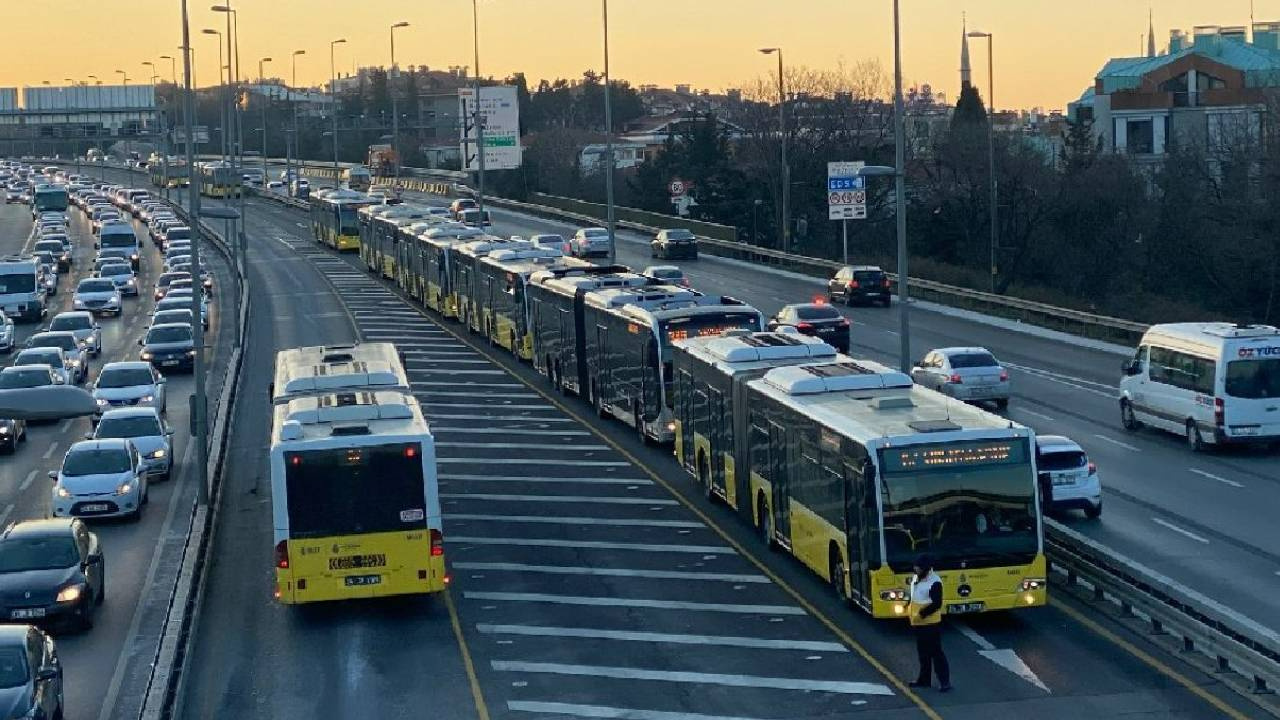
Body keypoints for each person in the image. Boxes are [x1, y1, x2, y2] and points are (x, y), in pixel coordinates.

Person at [907, 553, 952, 692]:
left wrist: (921, 614)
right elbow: (915, 594)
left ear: (925, 569)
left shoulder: (935, 582)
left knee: (936, 652)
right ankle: (924, 679)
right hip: (918, 623)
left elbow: (937, 603)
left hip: (930, 624)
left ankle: (945, 681)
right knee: (923, 653)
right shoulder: (917, 578)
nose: (915, 570)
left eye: (918, 568)